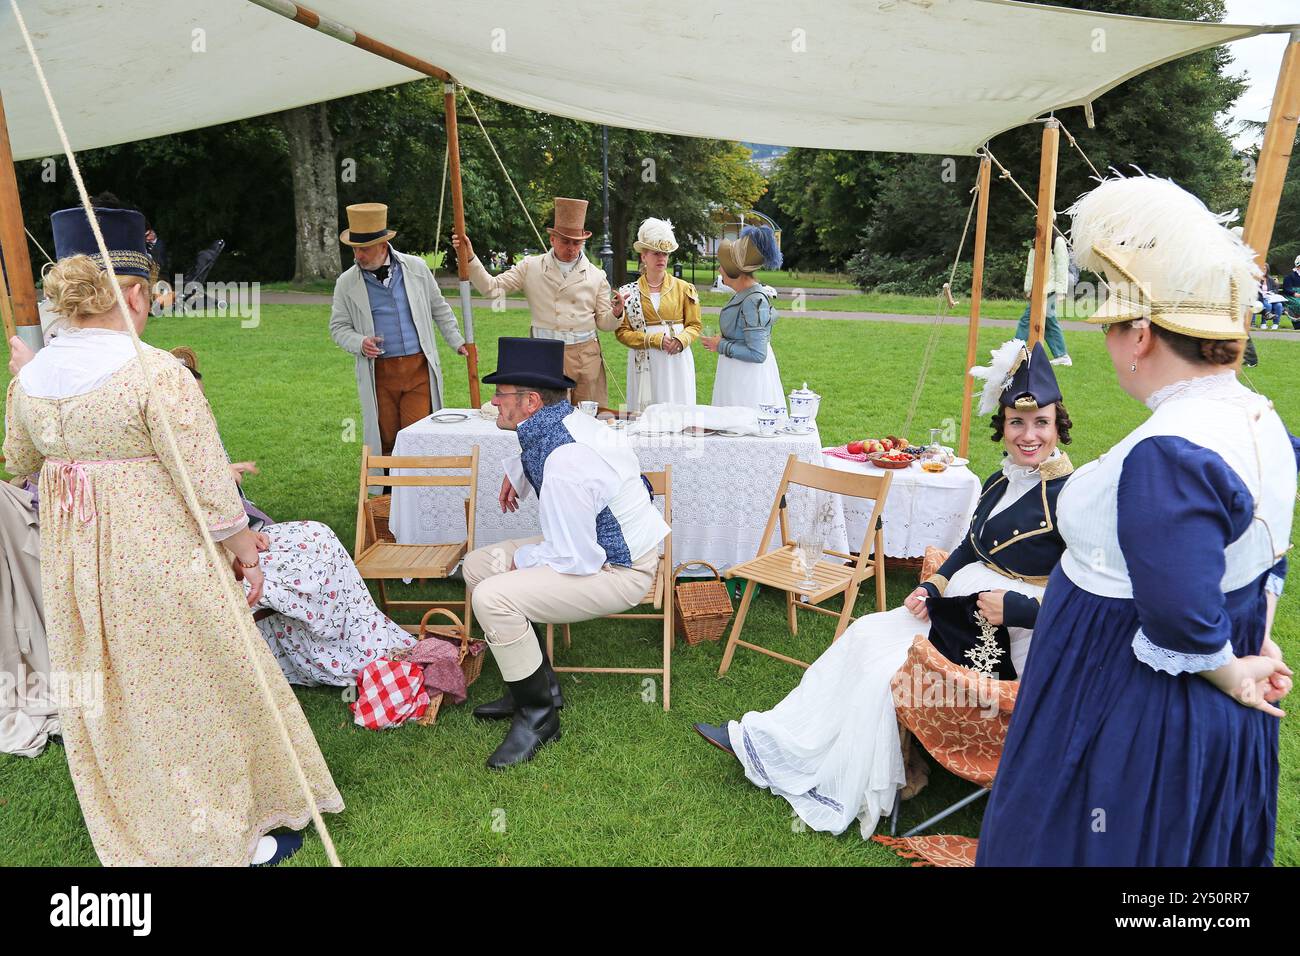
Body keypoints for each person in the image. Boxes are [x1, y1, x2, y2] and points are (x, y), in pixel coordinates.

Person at [2, 205, 342, 866]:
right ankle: (215, 837)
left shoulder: (30, 380)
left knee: (115, 691)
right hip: (158, 554)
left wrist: (31, 382)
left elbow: (18, 459)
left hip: (75, 564)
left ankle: (142, 815)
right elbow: (208, 479)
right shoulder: (155, 372)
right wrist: (245, 550)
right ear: (132, 291)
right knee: (192, 684)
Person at [978, 175, 1296, 867]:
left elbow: (1179, 610)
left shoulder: (1170, 451)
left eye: (1113, 328)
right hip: (1212, 670)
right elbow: (1268, 550)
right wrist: (1256, 640)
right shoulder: (1263, 420)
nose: (1109, 345)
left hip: (1123, 687)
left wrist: (1224, 668)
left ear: (1142, 335)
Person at [692, 339, 1073, 836]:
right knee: (863, 633)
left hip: (1003, 639)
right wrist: (934, 585)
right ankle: (777, 741)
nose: (1029, 435)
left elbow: (1089, 595)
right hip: (956, 611)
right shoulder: (999, 483)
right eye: (1017, 423)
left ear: (1057, 425)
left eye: (1040, 422)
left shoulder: (1069, 497)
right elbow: (968, 547)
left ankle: (861, 778)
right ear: (1001, 426)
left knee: (880, 675)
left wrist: (1023, 608)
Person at [460, 338, 669, 768]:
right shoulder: (561, 423)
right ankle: (538, 686)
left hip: (619, 570)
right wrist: (517, 472)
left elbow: (576, 559)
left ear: (531, 401)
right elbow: (538, 449)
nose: (493, 401)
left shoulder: (565, 461)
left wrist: (521, 564)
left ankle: (539, 717)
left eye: (501, 394)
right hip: (595, 550)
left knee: (492, 595)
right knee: (478, 566)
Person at [330, 202, 468, 455]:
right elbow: (338, 328)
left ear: (383, 245)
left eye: (365, 249)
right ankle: (389, 491)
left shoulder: (416, 268)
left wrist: (457, 341)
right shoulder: (346, 282)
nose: (358, 256)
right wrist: (359, 342)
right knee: (386, 437)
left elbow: (439, 307)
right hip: (380, 374)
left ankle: (418, 491)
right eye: (355, 249)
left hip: (418, 371)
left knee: (417, 434)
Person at [453, 198, 618, 407]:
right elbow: (491, 288)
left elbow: (605, 323)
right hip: (545, 354)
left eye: (577, 242)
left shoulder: (596, 275)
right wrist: (470, 258)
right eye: (565, 241)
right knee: (548, 419)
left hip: (586, 357)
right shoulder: (531, 267)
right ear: (552, 239)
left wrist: (617, 313)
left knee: (589, 419)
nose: (571, 248)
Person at [613, 218, 701, 410]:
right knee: (646, 414)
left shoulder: (684, 288)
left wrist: (680, 340)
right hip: (645, 360)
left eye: (665, 254)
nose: (661, 258)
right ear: (643, 256)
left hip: (676, 358)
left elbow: (694, 325)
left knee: (678, 408)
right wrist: (654, 340)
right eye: (656, 253)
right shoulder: (629, 291)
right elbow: (622, 332)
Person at [701, 225, 785, 408]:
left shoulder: (753, 300)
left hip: (747, 379)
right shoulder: (745, 295)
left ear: (734, 270)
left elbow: (757, 353)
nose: (719, 269)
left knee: (743, 426)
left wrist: (720, 345)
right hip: (738, 372)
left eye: (722, 265)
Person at [1014, 234, 1072, 366]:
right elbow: (1031, 266)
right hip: (1038, 289)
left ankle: (1015, 351)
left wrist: (1061, 291)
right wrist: (1029, 287)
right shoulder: (1037, 239)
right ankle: (1061, 354)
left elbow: (1062, 266)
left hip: (1049, 288)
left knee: (1027, 320)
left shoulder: (1057, 241)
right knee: (1048, 322)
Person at [1282, 254, 1300, 324]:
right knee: (1298, 304)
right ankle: (1297, 323)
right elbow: (1286, 289)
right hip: (1291, 296)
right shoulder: (1289, 275)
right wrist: (1295, 294)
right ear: (1297, 266)